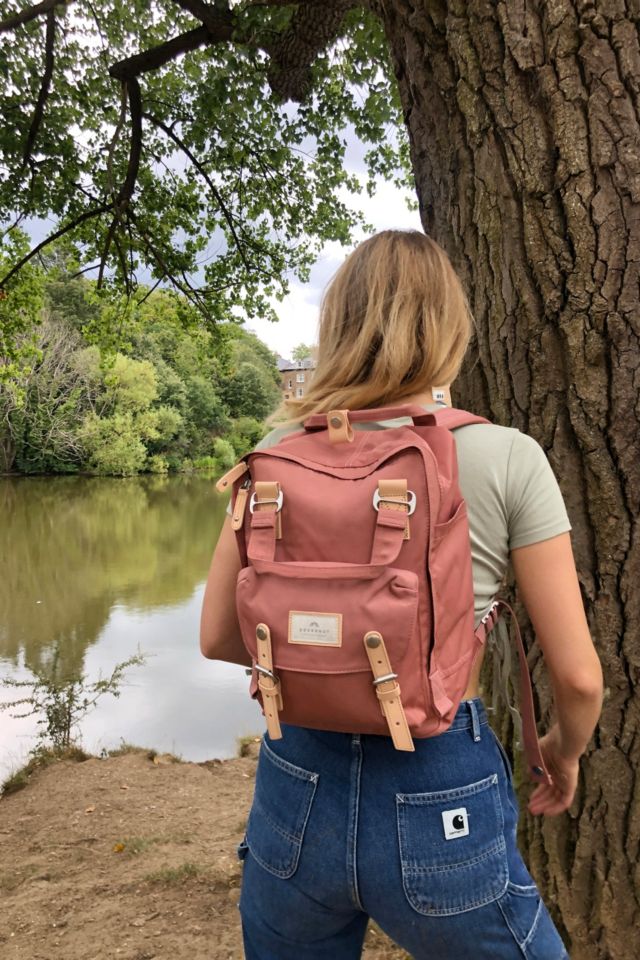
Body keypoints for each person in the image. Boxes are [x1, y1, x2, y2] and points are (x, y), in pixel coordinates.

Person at [200, 230, 603, 959]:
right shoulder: (506, 454)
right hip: (440, 778)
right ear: (449, 329)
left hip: (296, 784)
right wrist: (562, 752)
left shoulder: (278, 457)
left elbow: (218, 638)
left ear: (338, 328)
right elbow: (578, 677)